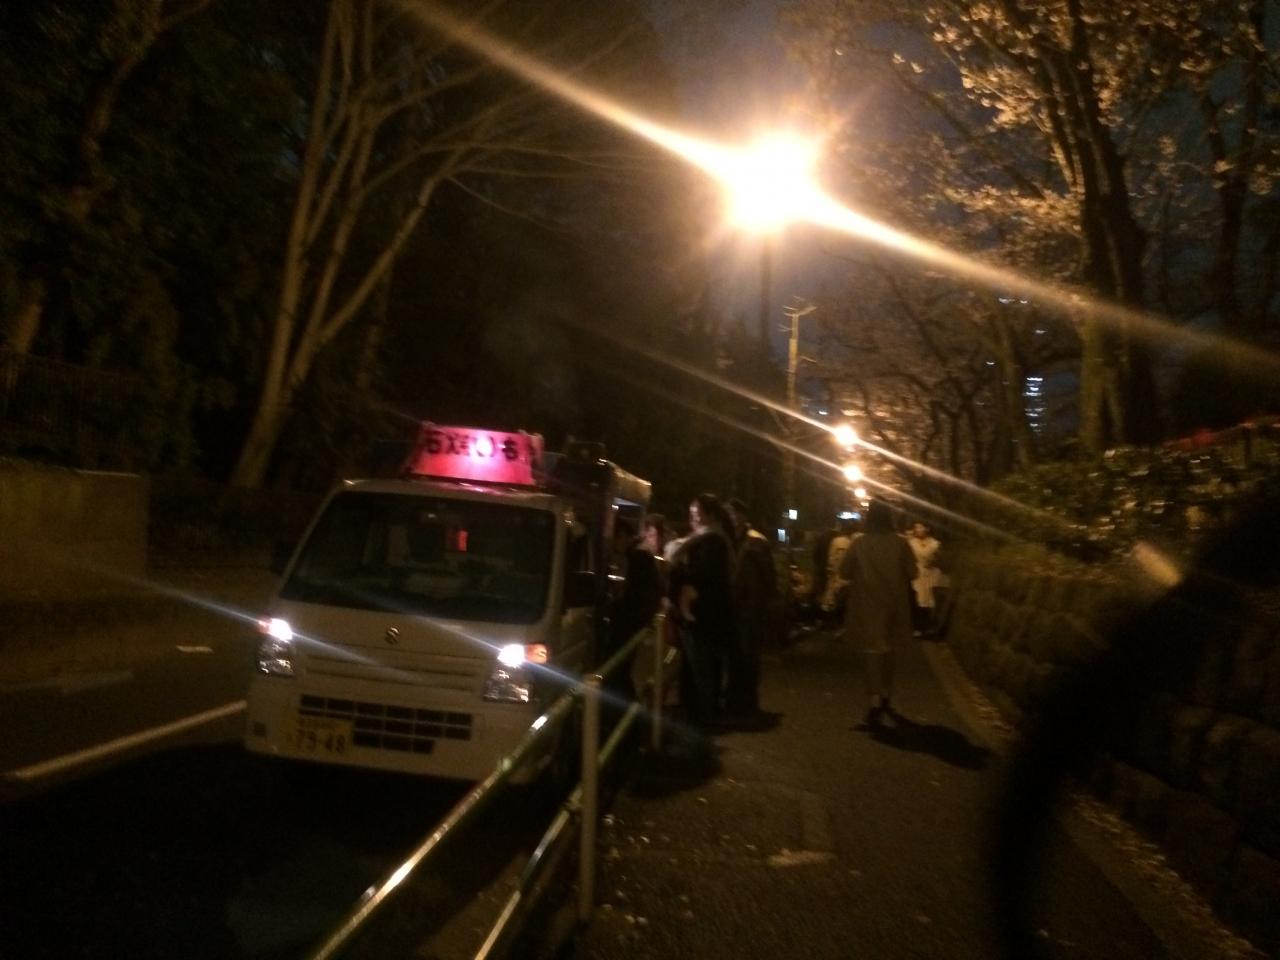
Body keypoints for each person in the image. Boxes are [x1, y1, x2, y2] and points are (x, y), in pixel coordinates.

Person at [839, 499, 917, 725]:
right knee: (890, 650)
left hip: (868, 603)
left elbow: (844, 571)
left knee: (872, 651)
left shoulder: (859, 543)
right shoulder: (901, 543)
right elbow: (913, 572)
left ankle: (874, 699)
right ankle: (886, 694)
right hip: (895, 603)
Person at [668, 493, 735, 731]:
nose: (692, 518)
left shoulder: (711, 542)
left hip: (701, 615)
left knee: (701, 668)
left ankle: (703, 718)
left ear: (710, 515)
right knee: (702, 667)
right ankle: (701, 715)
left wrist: (678, 572)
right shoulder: (715, 540)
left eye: (696, 513)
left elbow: (701, 577)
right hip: (707, 614)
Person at [725, 497, 778, 718]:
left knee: (749, 654)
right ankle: (735, 698)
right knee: (735, 654)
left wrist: (767, 602)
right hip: (733, 604)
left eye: (734, 513)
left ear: (743, 515)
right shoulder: (728, 539)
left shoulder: (756, 541)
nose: (731, 518)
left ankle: (747, 700)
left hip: (751, 606)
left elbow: (768, 575)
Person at [906, 521, 945, 636]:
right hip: (917, 574)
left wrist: (934, 562)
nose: (918, 529)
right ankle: (917, 627)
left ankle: (929, 627)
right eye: (916, 527)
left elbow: (941, 559)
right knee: (917, 600)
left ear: (927, 528)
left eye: (920, 527)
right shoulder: (911, 543)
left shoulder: (935, 544)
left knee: (929, 601)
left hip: (931, 575)